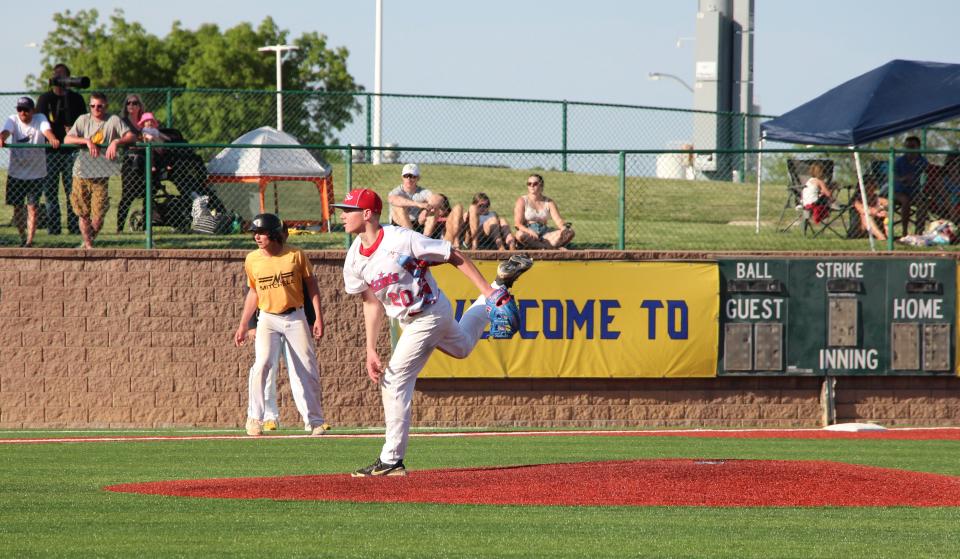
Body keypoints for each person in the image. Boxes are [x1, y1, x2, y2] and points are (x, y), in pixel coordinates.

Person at [334, 188, 532, 477]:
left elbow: (453, 254)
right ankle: (501, 282)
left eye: (348, 210)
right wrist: (370, 348)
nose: (342, 215)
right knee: (463, 347)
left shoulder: (401, 239)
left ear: (367, 214)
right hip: (409, 320)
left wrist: (484, 292)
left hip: (430, 312)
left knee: (394, 380)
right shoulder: (354, 258)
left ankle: (391, 460)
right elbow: (371, 302)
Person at [233, 213, 328, 437]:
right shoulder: (252, 259)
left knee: (307, 367)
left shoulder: (296, 255)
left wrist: (318, 317)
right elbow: (253, 292)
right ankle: (255, 418)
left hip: (295, 316)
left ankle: (315, 421)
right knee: (262, 364)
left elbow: (312, 288)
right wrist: (243, 324)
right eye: (254, 233)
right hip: (268, 317)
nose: (257, 237)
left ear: (275, 234)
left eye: (262, 232)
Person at [64, 92, 137, 249]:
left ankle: (87, 242)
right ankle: (89, 246)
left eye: (100, 106)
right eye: (93, 106)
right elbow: (67, 139)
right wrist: (86, 141)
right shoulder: (83, 120)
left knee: (97, 217)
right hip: (81, 172)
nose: (96, 108)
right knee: (83, 213)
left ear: (106, 106)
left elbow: (131, 136)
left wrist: (116, 141)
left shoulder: (113, 120)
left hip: (101, 174)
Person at [0, 97, 60, 247]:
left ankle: (29, 241)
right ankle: (22, 237)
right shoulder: (12, 119)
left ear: (33, 110)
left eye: (26, 109)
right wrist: (2, 138)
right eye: (20, 109)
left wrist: (52, 139)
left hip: (36, 173)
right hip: (16, 172)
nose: (23, 112)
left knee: (33, 208)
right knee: (18, 208)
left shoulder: (40, 118)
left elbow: (47, 130)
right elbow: (6, 131)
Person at [35, 63, 86, 235]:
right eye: (57, 75)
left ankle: (74, 227)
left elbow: (84, 122)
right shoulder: (44, 99)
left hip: (71, 151)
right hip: (50, 151)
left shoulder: (76, 99)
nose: (60, 79)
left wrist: (73, 131)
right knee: (50, 192)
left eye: (64, 75)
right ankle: (54, 228)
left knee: (72, 191)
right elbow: (40, 123)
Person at [513, 174, 575, 249]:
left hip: (545, 233)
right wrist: (530, 232)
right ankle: (550, 247)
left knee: (570, 232)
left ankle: (542, 247)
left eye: (535, 184)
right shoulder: (522, 200)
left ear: (541, 185)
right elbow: (517, 224)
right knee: (519, 235)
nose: (532, 186)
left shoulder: (549, 202)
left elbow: (558, 220)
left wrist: (563, 228)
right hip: (529, 231)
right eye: (529, 184)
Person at [117, 94, 146, 233]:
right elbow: (120, 139)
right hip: (130, 161)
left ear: (140, 105)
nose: (131, 105)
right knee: (127, 195)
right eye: (128, 103)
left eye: (135, 103)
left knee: (149, 194)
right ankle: (119, 228)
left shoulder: (146, 120)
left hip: (146, 160)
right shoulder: (122, 121)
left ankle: (146, 226)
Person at [893, 135, 929, 237]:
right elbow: (892, 176)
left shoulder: (922, 161)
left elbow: (929, 173)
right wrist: (902, 179)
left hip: (914, 191)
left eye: (912, 147)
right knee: (905, 201)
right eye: (907, 147)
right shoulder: (899, 160)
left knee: (922, 202)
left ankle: (919, 232)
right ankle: (905, 231)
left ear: (918, 147)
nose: (909, 150)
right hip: (898, 191)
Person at [388, 163, 433, 230]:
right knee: (399, 207)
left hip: (418, 223)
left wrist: (426, 210)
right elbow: (392, 199)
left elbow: (435, 199)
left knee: (433, 210)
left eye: (412, 176)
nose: (409, 179)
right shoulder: (397, 191)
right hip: (398, 225)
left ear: (418, 178)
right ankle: (411, 235)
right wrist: (418, 204)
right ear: (402, 177)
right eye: (406, 176)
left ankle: (426, 237)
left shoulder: (423, 192)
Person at [850, 171, 888, 240]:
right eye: (871, 183)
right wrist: (877, 212)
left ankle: (889, 237)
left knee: (887, 214)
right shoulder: (856, 198)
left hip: (875, 225)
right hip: (860, 228)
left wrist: (881, 209)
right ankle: (882, 238)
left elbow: (888, 203)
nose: (874, 185)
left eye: (874, 183)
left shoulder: (875, 197)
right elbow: (863, 210)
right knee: (865, 215)